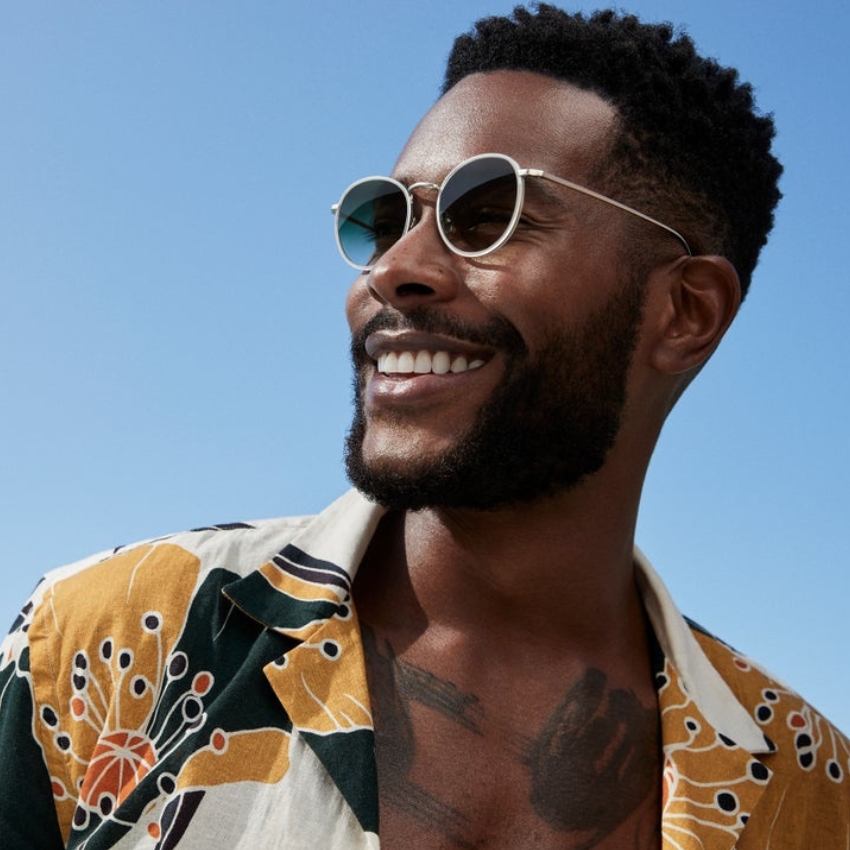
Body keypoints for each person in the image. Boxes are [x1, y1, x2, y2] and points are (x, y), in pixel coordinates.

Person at [1, 4, 847, 848]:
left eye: (487, 214)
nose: (393, 271)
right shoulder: (97, 644)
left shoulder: (812, 793)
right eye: (383, 219)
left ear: (685, 312)